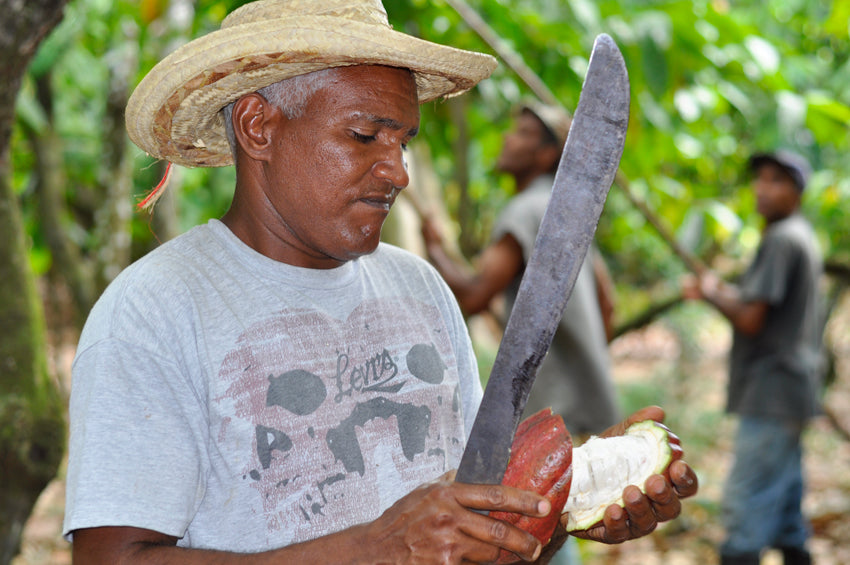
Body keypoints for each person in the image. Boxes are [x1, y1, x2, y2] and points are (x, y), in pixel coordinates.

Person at [63, 1, 698, 563]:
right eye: (365, 135)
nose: (397, 172)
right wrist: (374, 548)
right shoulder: (155, 311)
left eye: (403, 142)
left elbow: (470, 531)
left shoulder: (419, 290)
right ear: (259, 125)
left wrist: (562, 500)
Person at [421, 102, 621, 437]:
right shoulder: (568, 211)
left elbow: (474, 296)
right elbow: (608, 305)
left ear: (545, 155)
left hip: (555, 420)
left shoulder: (525, 210)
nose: (507, 139)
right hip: (591, 407)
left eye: (522, 134)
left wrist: (434, 249)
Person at [682, 150, 822, 565]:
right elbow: (754, 302)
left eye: (775, 180)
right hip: (790, 389)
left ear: (796, 191)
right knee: (784, 508)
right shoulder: (798, 235)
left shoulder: (782, 239)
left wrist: (709, 292)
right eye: (759, 179)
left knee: (746, 502)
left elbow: (751, 319)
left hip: (772, 389)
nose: (762, 188)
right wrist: (718, 289)